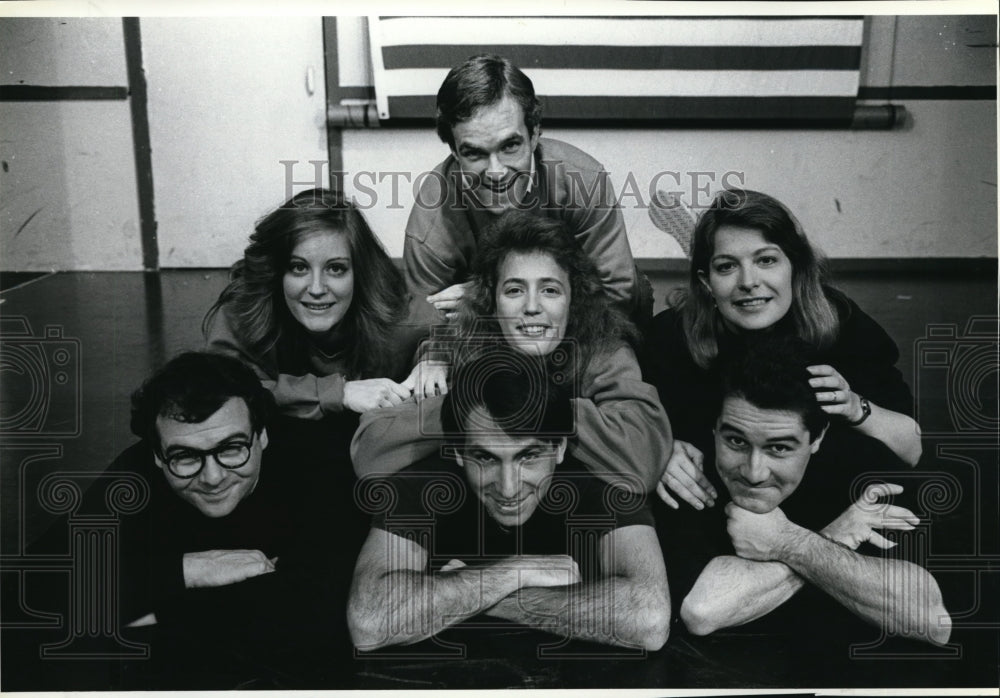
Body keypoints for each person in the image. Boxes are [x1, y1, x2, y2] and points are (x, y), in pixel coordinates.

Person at [347, 345, 670, 651]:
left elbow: (649, 619)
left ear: (559, 448)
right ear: (458, 452)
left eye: (528, 457)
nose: (508, 488)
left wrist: (483, 597)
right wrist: (518, 571)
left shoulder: (598, 477)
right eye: (485, 458)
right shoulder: (426, 480)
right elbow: (370, 622)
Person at [352, 210, 671, 495]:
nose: (532, 307)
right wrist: (473, 407)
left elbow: (642, 461)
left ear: (574, 297)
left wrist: (540, 408)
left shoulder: (602, 346)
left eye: (550, 290)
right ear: (491, 299)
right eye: (515, 290)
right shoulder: (462, 343)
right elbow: (370, 451)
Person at [641, 188, 922, 511]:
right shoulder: (672, 336)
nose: (749, 281)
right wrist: (659, 446)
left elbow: (912, 448)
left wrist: (856, 407)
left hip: (807, 482)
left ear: (796, 266)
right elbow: (630, 413)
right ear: (706, 282)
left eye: (766, 260)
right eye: (727, 267)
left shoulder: (841, 323)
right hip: (722, 487)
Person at [664, 338, 951, 646]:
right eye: (736, 441)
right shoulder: (690, 477)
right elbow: (701, 610)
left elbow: (930, 622)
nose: (753, 472)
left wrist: (786, 542)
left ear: (817, 439)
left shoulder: (865, 473)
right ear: (714, 429)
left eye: (779, 448)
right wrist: (836, 535)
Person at [110, 352, 347, 683]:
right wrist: (188, 570)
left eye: (232, 448)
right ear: (157, 455)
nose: (212, 477)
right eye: (185, 456)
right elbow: (34, 587)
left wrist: (142, 600)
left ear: (262, 435)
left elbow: (316, 619)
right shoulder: (133, 476)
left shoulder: (319, 464)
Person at [404, 53, 645, 325]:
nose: (496, 172)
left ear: (535, 135)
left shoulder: (583, 181)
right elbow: (424, 325)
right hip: (481, 341)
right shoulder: (432, 217)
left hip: (578, 330)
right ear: (454, 151)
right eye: (474, 153)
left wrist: (492, 302)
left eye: (510, 147)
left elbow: (618, 294)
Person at [204, 187, 431, 420]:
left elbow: (447, 331)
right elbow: (224, 390)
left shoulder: (387, 310)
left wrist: (433, 359)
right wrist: (338, 393)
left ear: (360, 273)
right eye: (298, 267)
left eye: (336, 269)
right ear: (276, 271)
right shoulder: (244, 312)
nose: (316, 289)